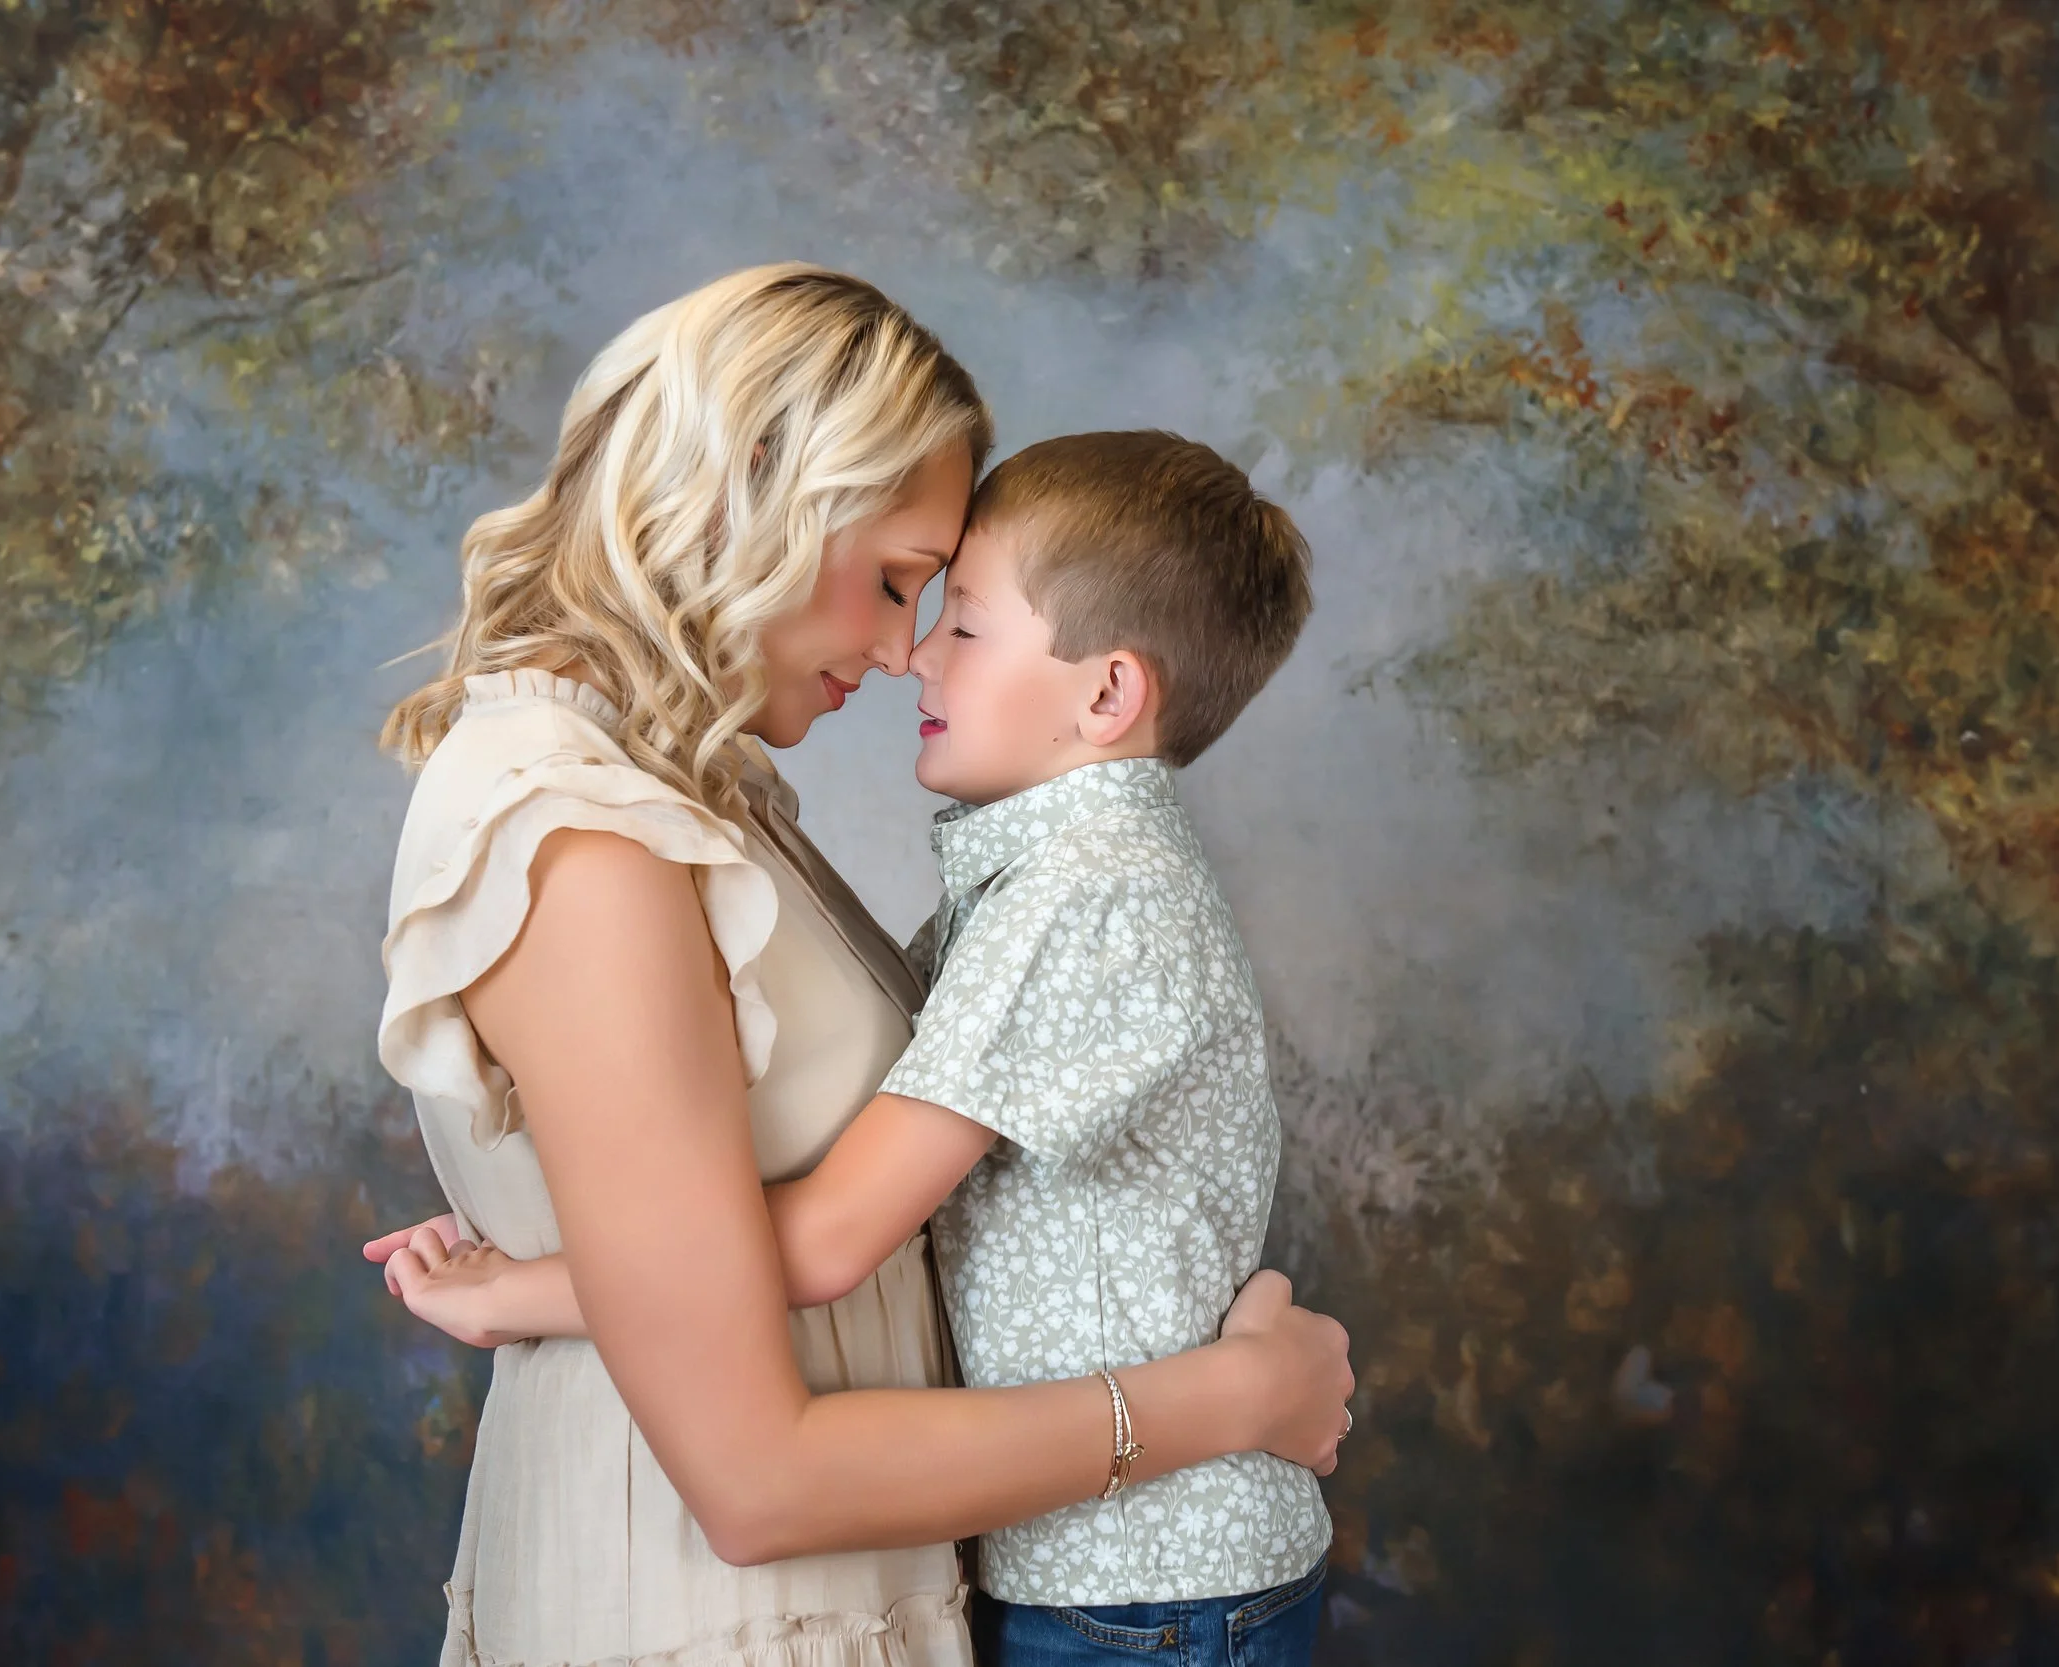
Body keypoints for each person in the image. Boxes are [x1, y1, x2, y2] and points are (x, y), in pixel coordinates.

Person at [363, 265, 1356, 1667]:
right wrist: (1233, 1398)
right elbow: (764, 1442)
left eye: (946, 605)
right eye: (900, 582)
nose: (904, 651)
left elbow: (727, 1252)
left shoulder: (694, 790)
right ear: (759, 491)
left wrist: (530, 1280)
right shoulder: (584, 833)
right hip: (716, 1611)